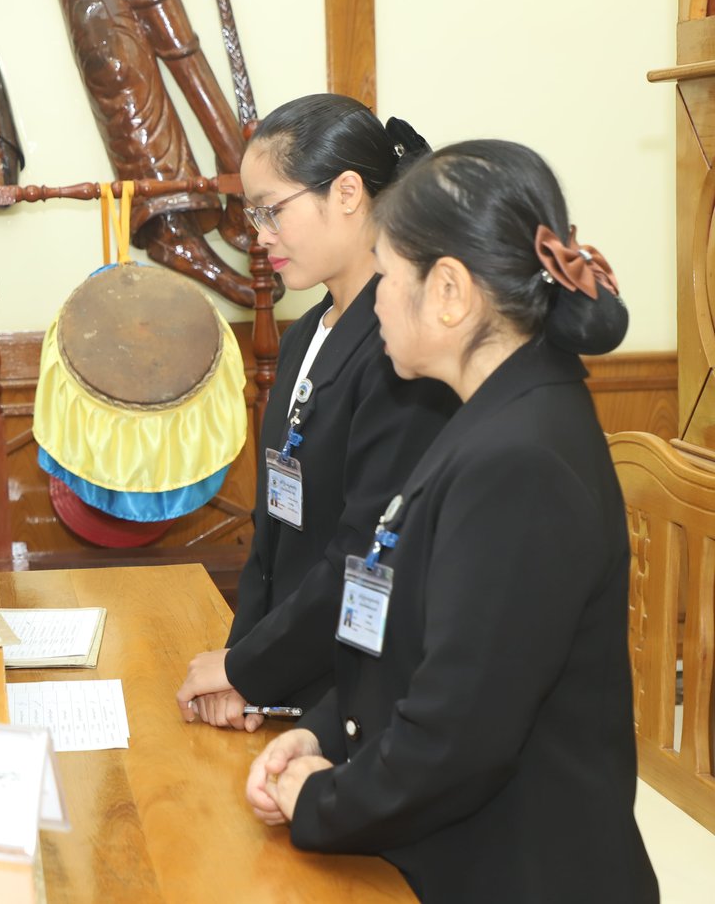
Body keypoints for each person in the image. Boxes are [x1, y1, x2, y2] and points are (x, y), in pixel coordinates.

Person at [245, 140, 657, 902]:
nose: (374, 301)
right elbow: (409, 640)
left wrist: (320, 798)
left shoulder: (521, 462)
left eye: (386, 275)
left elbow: (458, 737)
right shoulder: (487, 412)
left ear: (449, 292)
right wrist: (323, 731)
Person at [175, 95, 458, 730]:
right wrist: (241, 665)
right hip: (287, 675)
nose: (260, 235)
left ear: (348, 192)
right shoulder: (304, 333)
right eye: (253, 215)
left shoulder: (402, 349)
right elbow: (272, 534)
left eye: (273, 210)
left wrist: (249, 670)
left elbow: (366, 554)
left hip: (358, 694)